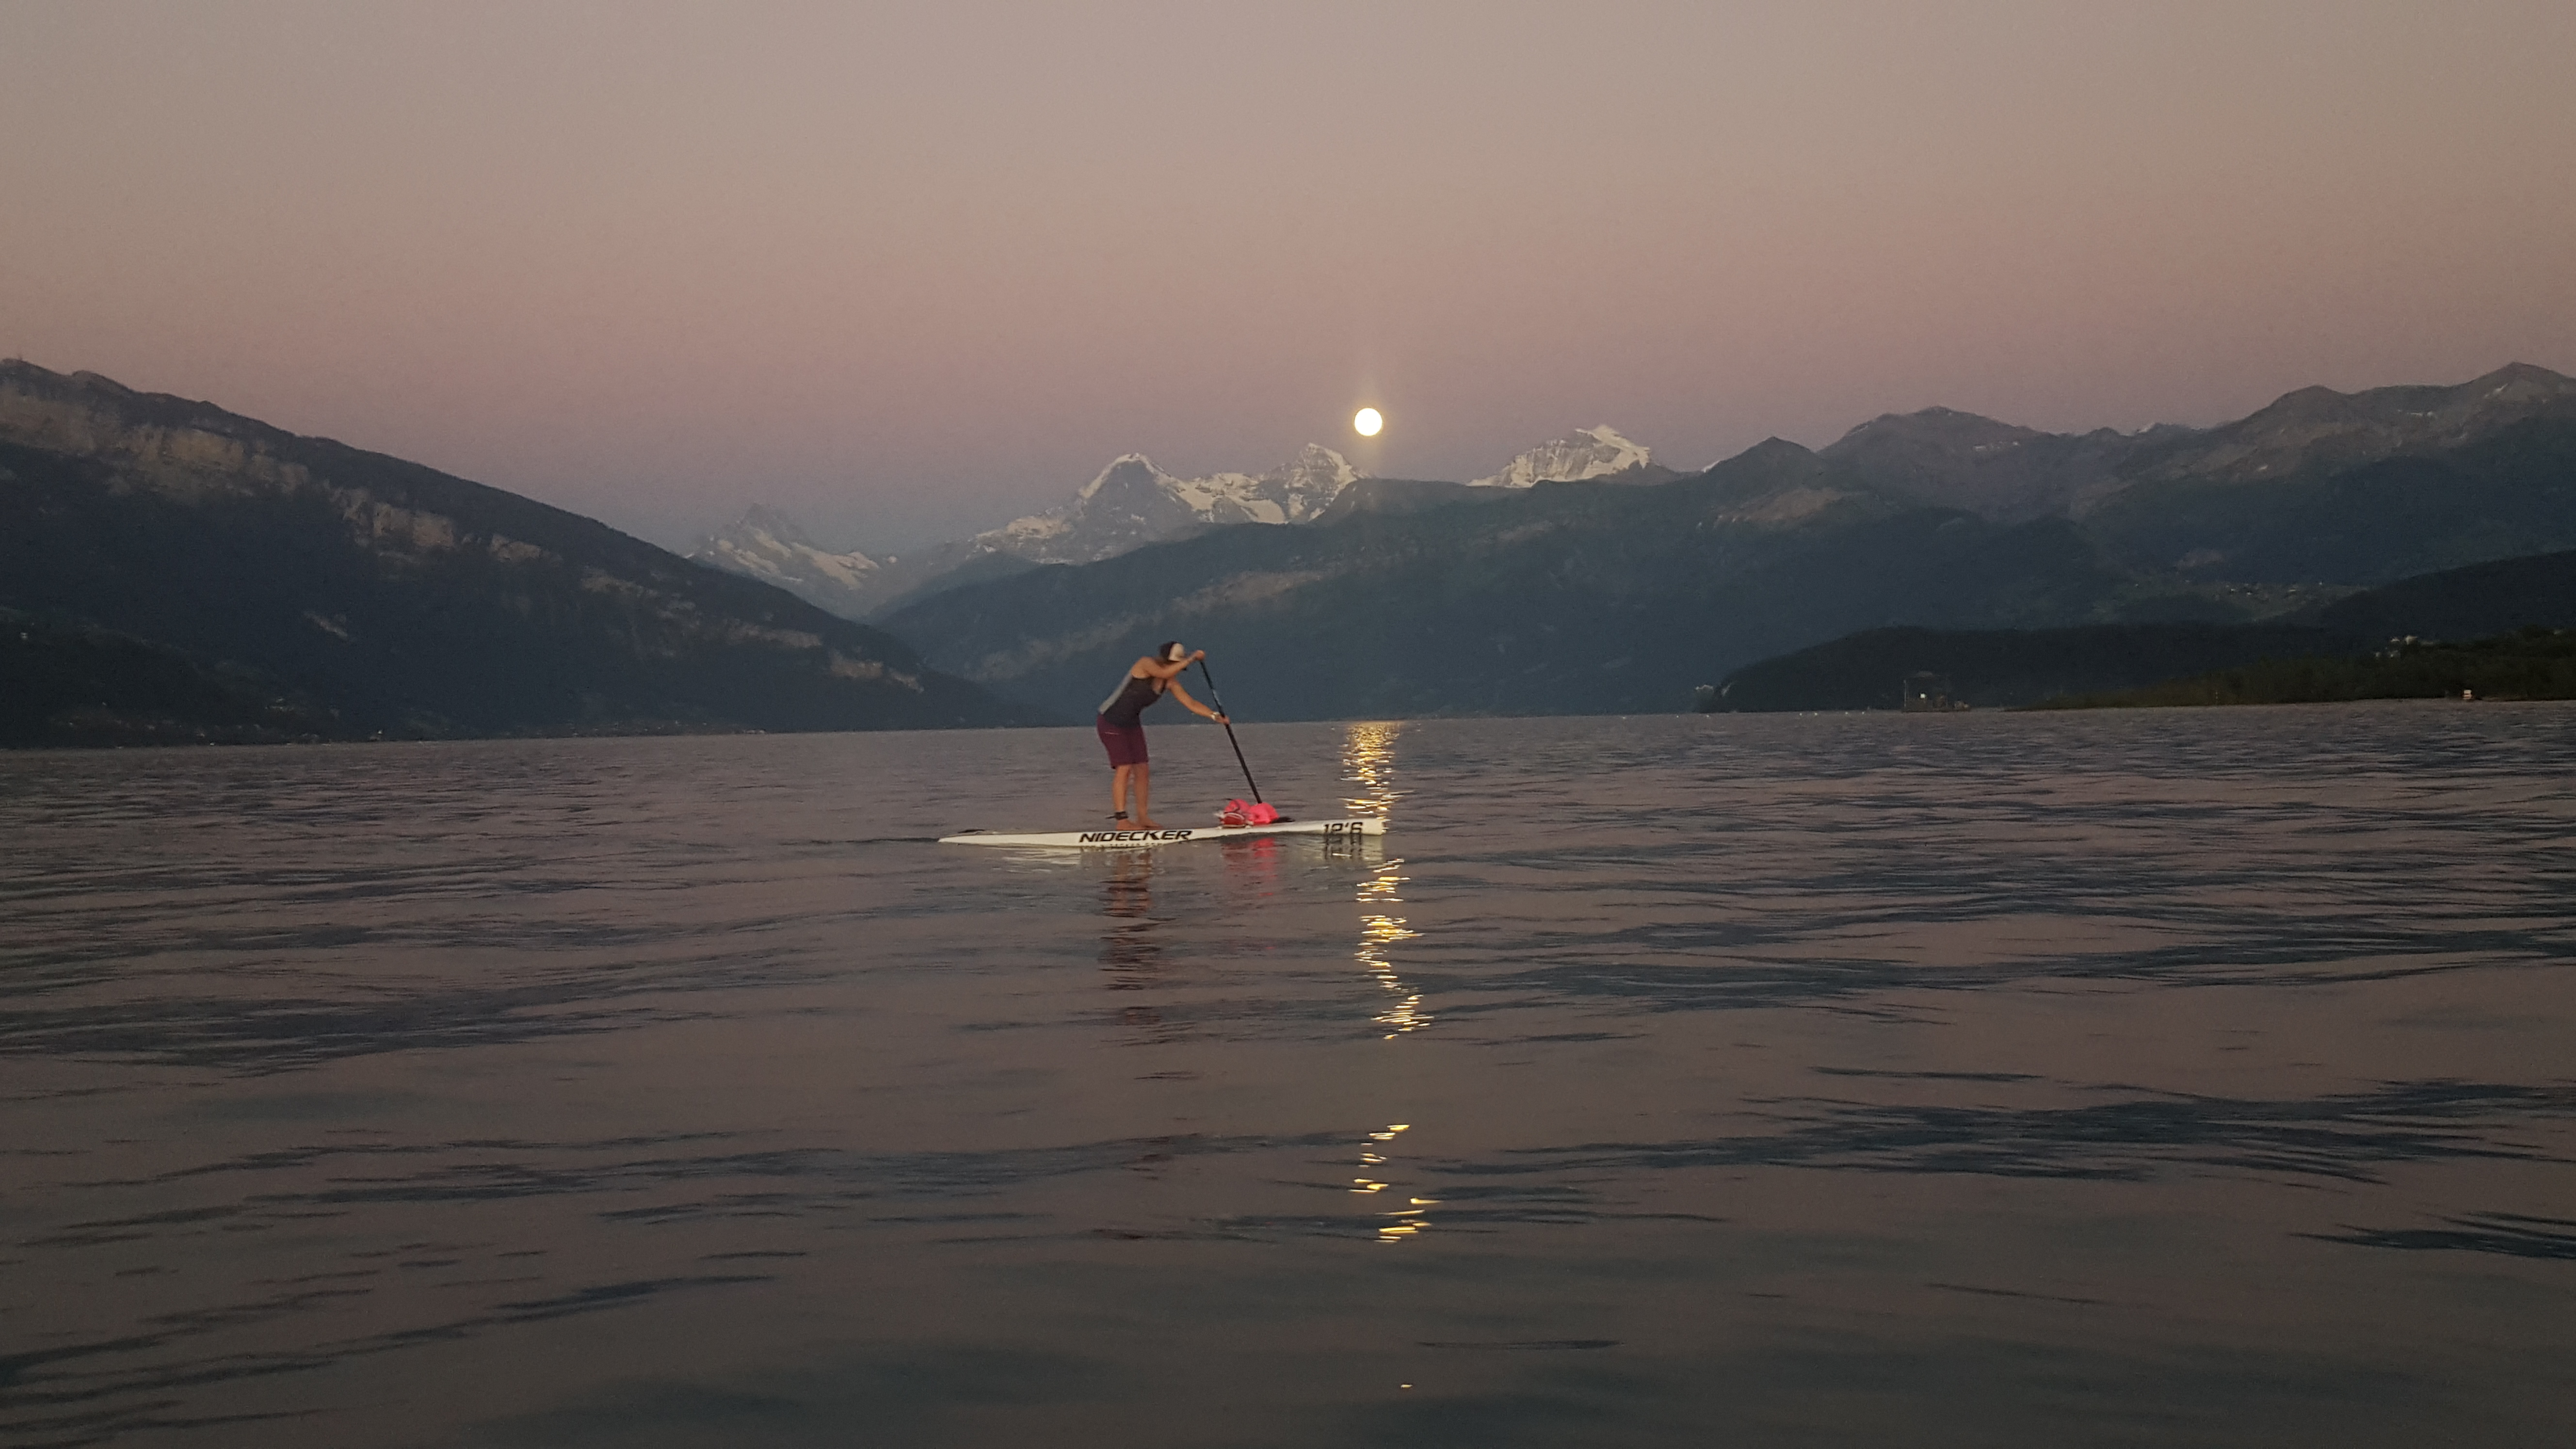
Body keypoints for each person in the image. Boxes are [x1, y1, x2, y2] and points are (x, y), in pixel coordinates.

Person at [1096, 641, 1225, 829]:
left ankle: (1143, 818)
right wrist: (1192, 658)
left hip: (1132, 723)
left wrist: (1214, 716)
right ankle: (1122, 820)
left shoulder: (1170, 682)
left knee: (1143, 769)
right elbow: (1163, 673)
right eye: (1175, 665)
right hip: (1110, 721)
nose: (1177, 670)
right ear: (1166, 661)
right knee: (1124, 768)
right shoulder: (1145, 664)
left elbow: (1190, 703)